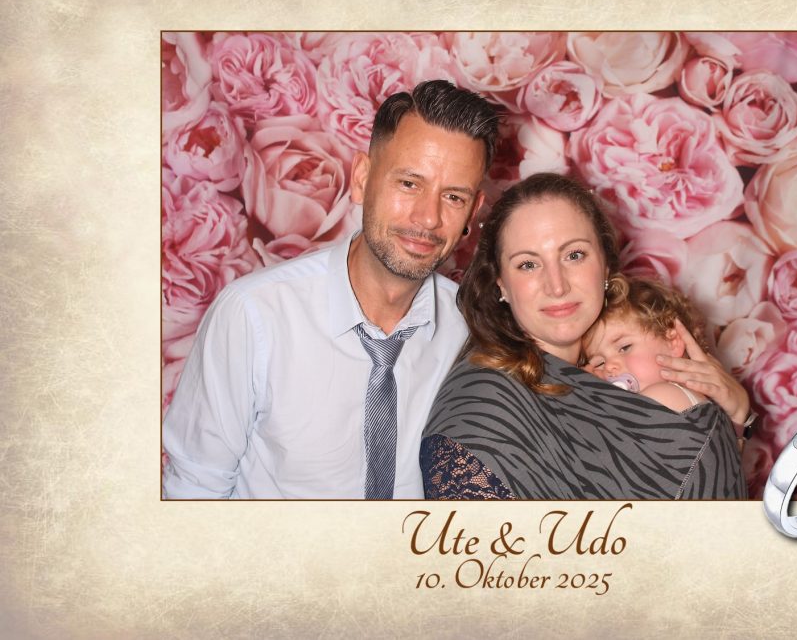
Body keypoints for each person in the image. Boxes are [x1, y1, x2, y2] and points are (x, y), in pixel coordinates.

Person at [162, 80, 499, 498]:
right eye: (409, 184)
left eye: (453, 197)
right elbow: (195, 489)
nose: (428, 218)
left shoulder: (471, 330)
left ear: (473, 211)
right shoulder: (254, 315)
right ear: (361, 179)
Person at [420, 173, 749, 500]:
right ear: (501, 284)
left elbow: (703, 505)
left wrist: (734, 419)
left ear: (605, 266)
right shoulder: (484, 404)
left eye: (574, 255)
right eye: (528, 265)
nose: (557, 285)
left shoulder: (609, 381)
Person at [581, 274, 710, 413]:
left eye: (624, 348)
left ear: (672, 342)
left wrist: (592, 395)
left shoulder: (666, 395)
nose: (609, 367)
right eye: (599, 363)